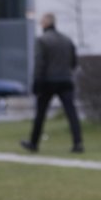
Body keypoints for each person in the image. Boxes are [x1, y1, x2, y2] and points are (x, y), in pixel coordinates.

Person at [21, 12, 84, 153]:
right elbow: (74, 62)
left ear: (46, 23)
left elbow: (39, 64)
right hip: (66, 80)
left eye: (42, 22)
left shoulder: (42, 40)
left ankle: (33, 143)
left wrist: (36, 83)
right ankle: (78, 143)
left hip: (48, 82)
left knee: (40, 114)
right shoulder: (67, 40)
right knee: (71, 113)